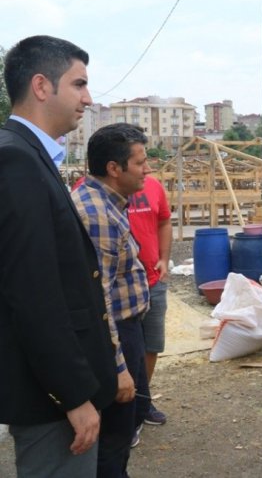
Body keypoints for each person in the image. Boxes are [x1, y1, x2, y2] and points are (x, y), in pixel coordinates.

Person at [0, 35, 118, 477]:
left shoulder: (31, 156)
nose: (88, 99)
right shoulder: (16, 161)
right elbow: (33, 295)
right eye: (79, 84)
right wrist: (72, 396)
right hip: (51, 400)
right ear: (41, 86)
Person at [72, 123, 152, 476]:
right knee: (115, 435)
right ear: (114, 168)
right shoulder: (97, 213)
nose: (147, 170)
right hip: (114, 335)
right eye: (140, 163)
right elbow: (98, 295)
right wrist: (118, 368)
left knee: (124, 426)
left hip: (124, 330)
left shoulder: (107, 202)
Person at [128, 175, 172, 441]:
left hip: (152, 280)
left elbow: (164, 221)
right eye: (139, 160)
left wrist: (164, 259)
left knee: (151, 345)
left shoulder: (153, 186)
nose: (146, 167)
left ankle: (141, 401)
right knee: (124, 347)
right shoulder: (91, 191)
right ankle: (124, 411)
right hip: (118, 286)